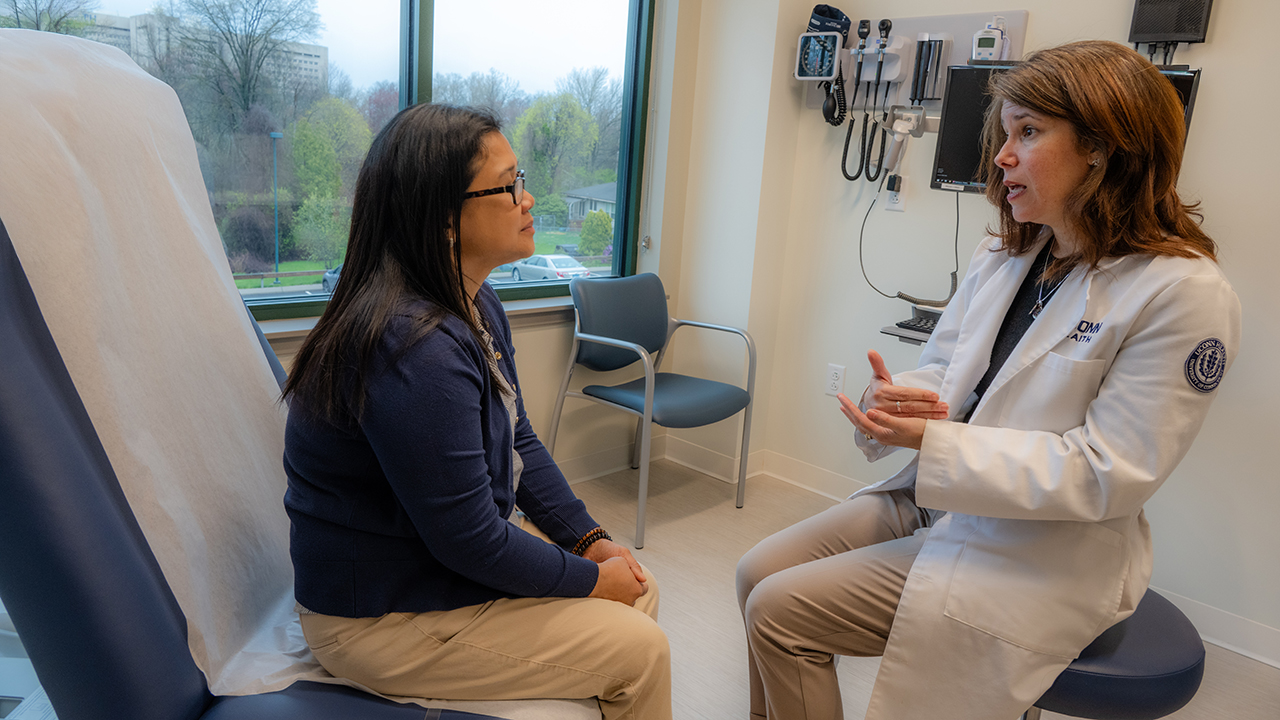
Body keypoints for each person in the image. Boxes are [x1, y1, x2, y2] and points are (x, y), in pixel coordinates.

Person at [737, 40, 1240, 720]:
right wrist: (896, 401)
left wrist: (939, 444)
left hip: (1041, 544)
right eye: (1006, 132)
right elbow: (948, 369)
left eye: (1028, 132)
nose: (1002, 156)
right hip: (938, 497)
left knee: (780, 611)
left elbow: (1108, 472)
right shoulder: (1010, 253)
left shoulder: (1182, 293)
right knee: (755, 572)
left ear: (1102, 146)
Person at [281, 103, 671, 720]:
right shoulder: (411, 348)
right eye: (510, 184)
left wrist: (590, 540)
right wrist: (593, 582)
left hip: (430, 566)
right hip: (376, 618)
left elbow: (520, 440)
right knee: (639, 645)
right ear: (444, 218)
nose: (529, 197)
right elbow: (471, 543)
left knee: (638, 592)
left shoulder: (475, 301)